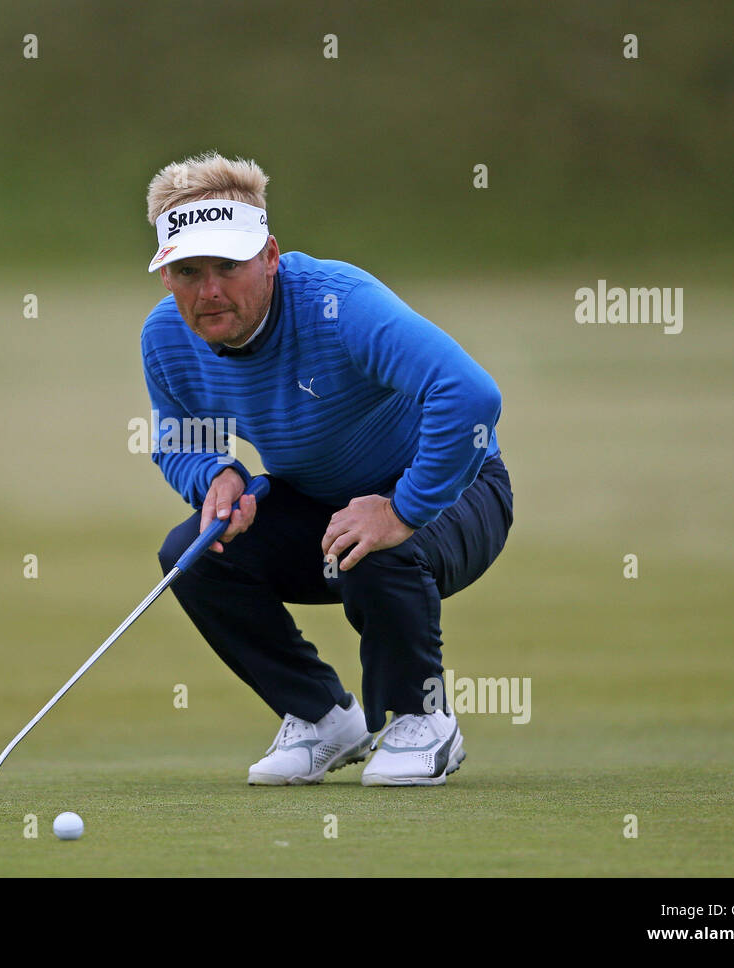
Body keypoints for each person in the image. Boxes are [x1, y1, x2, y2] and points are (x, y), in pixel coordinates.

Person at [142, 152, 513, 787]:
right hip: (320, 500)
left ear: (270, 257)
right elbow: (180, 433)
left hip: (457, 489)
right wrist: (216, 476)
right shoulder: (167, 338)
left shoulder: (341, 305)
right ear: (166, 276)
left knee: (372, 543)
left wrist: (402, 509)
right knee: (196, 551)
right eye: (188, 270)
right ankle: (322, 717)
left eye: (228, 266)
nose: (209, 291)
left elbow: (470, 395)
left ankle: (422, 721)